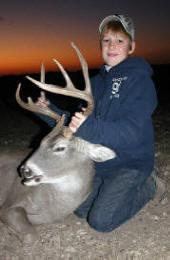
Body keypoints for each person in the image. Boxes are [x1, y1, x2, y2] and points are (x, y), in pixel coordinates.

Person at [36, 14, 167, 232]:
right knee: (79, 209)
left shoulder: (140, 81)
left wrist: (88, 127)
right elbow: (77, 122)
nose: (112, 46)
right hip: (99, 164)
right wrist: (48, 110)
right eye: (106, 40)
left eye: (120, 41)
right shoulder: (95, 84)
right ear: (100, 45)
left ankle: (150, 186)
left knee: (100, 221)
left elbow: (130, 132)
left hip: (130, 164)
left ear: (132, 47)